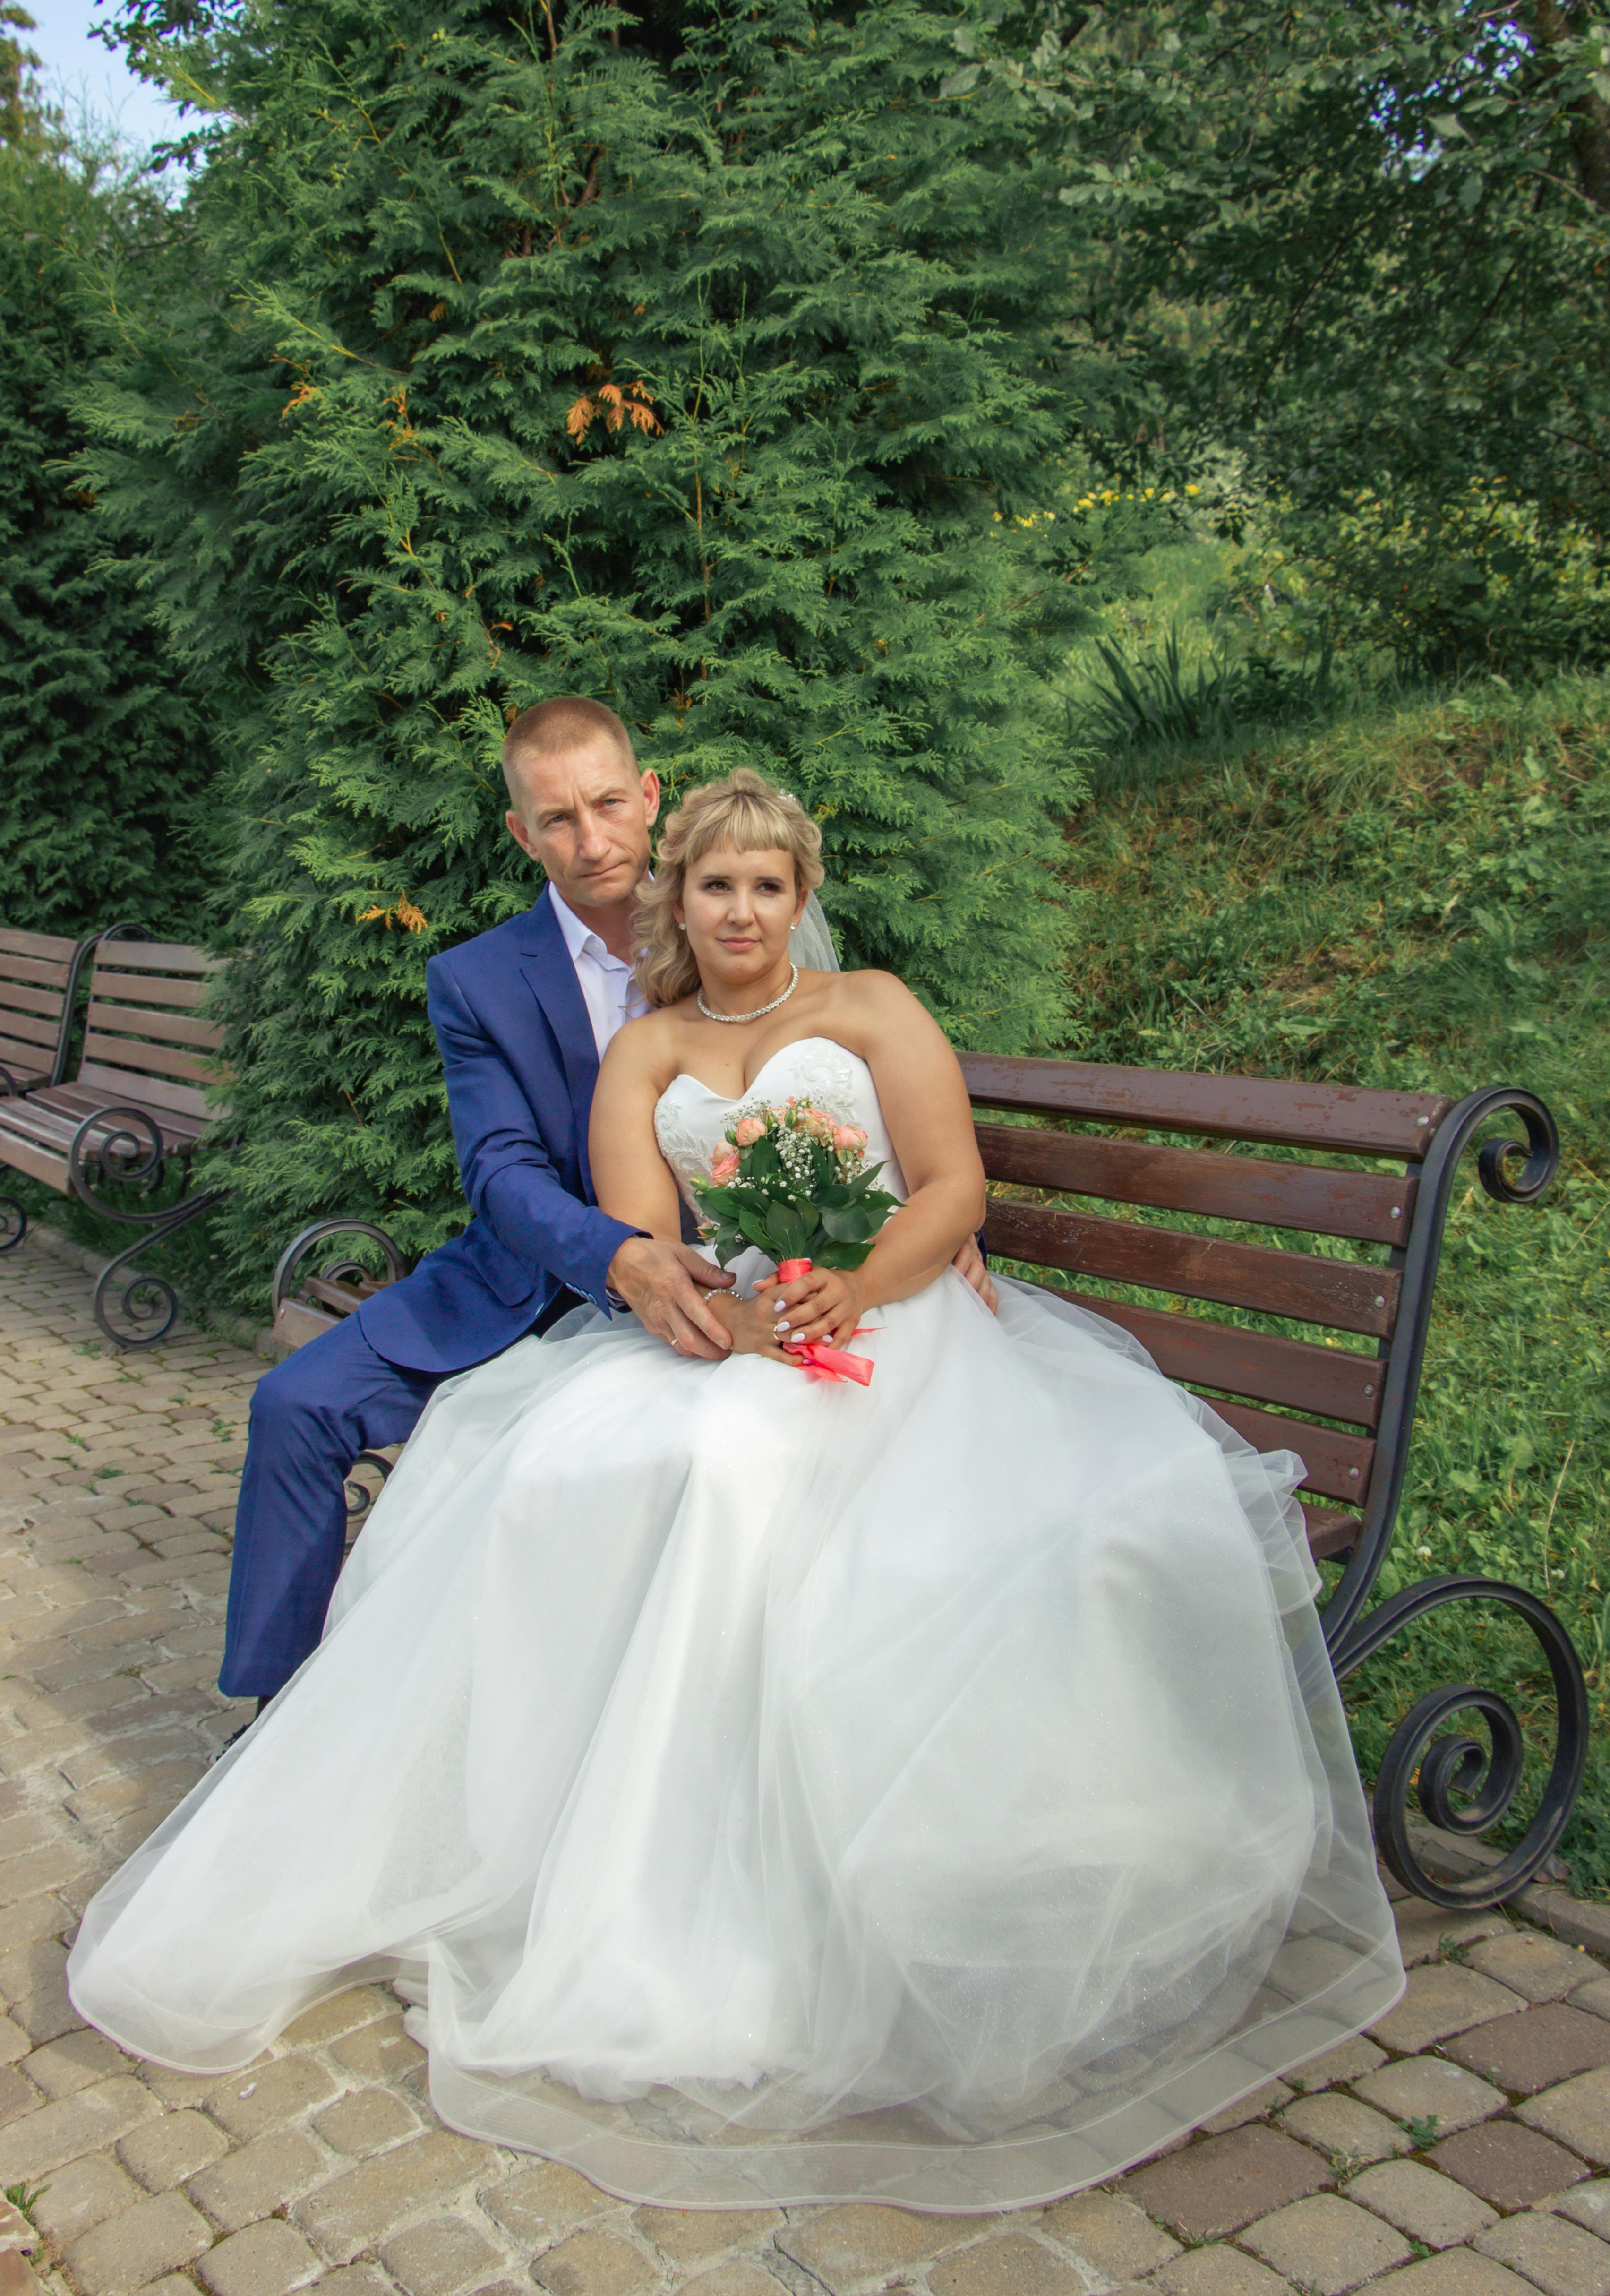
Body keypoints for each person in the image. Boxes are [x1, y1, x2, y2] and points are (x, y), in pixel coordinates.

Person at [71, 768, 1402, 2215]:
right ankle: (567, 1839)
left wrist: (864, 1279)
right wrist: (744, 1303)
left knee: (727, 1467)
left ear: (800, 893)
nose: (748, 912)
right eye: (719, 887)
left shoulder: (875, 1008)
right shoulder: (645, 1052)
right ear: (679, 900)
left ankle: (764, 1875)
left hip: (900, 1321)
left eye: (771, 885)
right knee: (565, 1459)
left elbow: (952, 1188)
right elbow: (653, 1242)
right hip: (745, 1321)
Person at [221, 697, 992, 1703]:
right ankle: (274, 1708)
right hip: (541, 1281)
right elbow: (498, 1167)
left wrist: (919, 1244)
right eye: (557, 820)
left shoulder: (746, 917)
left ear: (650, 798)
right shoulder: (478, 980)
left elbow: (885, 1124)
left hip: (747, 1281)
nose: (591, 840)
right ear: (521, 833)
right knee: (293, 1404)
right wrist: (617, 1257)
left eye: (608, 805)